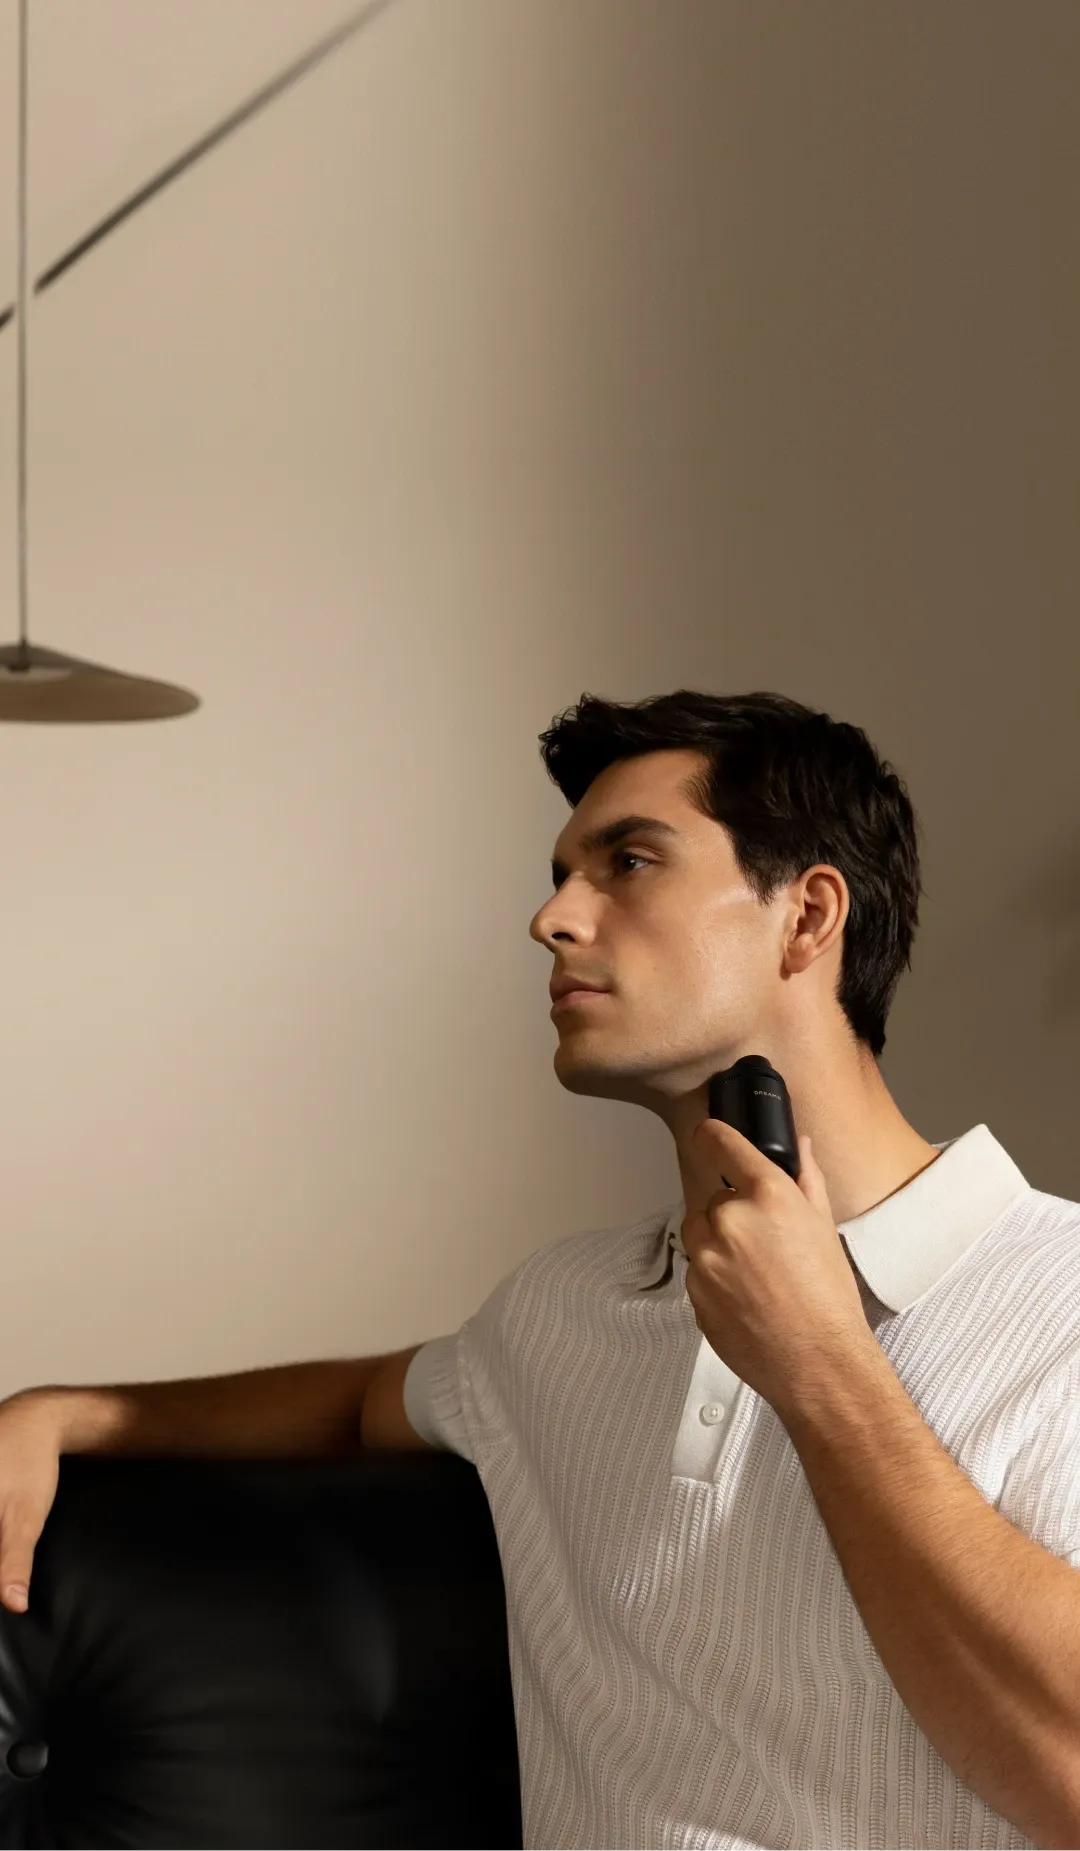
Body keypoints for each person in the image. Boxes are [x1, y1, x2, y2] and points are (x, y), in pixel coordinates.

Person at [2, 687, 1079, 1850]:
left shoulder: (1060, 1302)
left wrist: (818, 1361)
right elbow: (359, 1404)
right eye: (563, 874)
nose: (552, 918)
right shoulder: (561, 1314)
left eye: (629, 863)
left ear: (807, 917)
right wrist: (72, 1412)